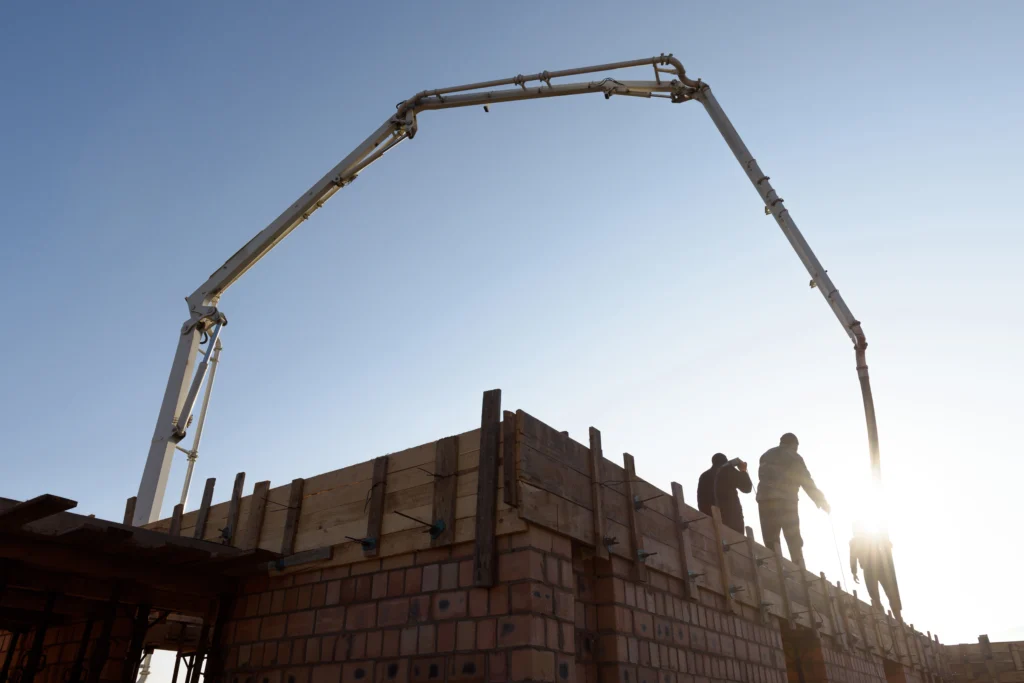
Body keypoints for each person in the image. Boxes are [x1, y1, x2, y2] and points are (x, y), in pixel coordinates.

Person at [756, 432, 829, 568]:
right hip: (785, 500)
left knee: (771, 539)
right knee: (793, 538)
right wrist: (820, 500)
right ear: (793, 444)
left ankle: (775, 569)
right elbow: (806, 480)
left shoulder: (766, 455)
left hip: (764, 500)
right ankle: (799, 570)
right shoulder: (794, 456)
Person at [850, 524, 903, 617]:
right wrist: (854, 571)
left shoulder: (867, 538)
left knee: (884, 593)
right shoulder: (861, 540)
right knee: (877, 594)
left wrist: (854, 572)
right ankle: (886, 614)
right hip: (875, 567)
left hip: (876, 567)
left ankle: (894, 615)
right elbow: (853, 557)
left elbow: (852, 557)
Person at [697, 453, 753, 534]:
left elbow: (700, 499)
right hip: (732, 519)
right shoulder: (728, 470)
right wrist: (743, 470)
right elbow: (747, 488)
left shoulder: (704, 476)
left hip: (709, 519)